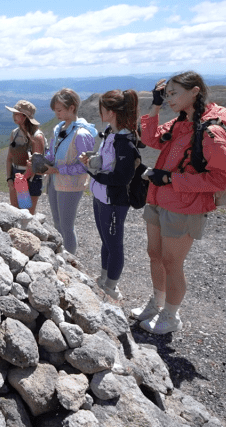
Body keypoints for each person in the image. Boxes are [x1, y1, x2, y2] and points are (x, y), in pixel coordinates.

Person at [133, 72, 226, 334]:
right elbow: (150, 138)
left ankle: (171, 315)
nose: (169, 98)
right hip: (159, 199)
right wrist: (155, 105)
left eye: (173, 93)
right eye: (166, 93)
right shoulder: (181, 122)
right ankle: (156, 304)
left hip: (185, 205)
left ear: (194, 92)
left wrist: (171, 178)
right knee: (154, 255)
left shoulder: (210, 130)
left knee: (171, 262)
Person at [80, 90, 141, 300]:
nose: (99, 112)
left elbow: (121, 178)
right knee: (106, 241)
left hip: (114, 200)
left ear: (112, 112)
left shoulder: (125, 142)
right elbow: (107, 163)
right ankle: (104, 280)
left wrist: (92, 171)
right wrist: (92, 161)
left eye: (102, 109)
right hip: (100, 195)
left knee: (114, 245)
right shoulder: (110, 133)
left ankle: (111, 288)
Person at [42, 88, 97, 254]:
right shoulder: (59, 129)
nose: (56, 114)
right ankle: (61, 256)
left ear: (71, 108)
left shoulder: (81, 134)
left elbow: (85, 166)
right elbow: (52, 152)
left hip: (71, 185)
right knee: (57, 222)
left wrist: (58, 169)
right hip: (54, 181)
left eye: (59, 110)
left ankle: (71, 261)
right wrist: (43, 161)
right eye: (55, 110)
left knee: (67, 225)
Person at [5, 100, 46, 214]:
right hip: (16, 176)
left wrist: (22, 178)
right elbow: (9, 158)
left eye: (16, 113)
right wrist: (9, 178)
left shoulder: (37, 137)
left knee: (26, 217)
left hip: (31, 180)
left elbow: (36, 166)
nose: (13, 116)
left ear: (24, 116)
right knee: (15, 214)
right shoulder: (14, 133)